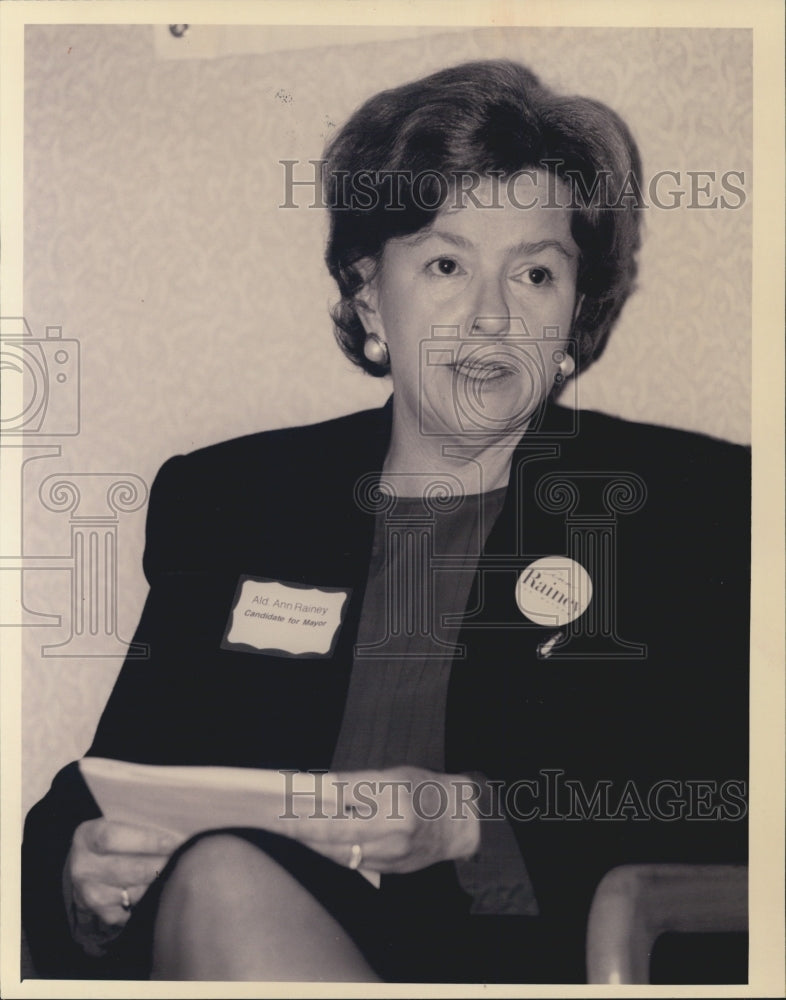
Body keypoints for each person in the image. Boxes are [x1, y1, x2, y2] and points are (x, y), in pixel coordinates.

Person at [22, 59, 749, 984]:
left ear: (574, 312)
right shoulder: (242, 498)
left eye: (534, 272)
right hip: (247, 927)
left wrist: (469, 821)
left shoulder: (692, 504)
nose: (490, 318)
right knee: (221, 882)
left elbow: (732, 796)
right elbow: (117, 773)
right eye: (446, 263)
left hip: (532, 961)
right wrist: (83, 874)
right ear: (370, 292)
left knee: (223, 882)